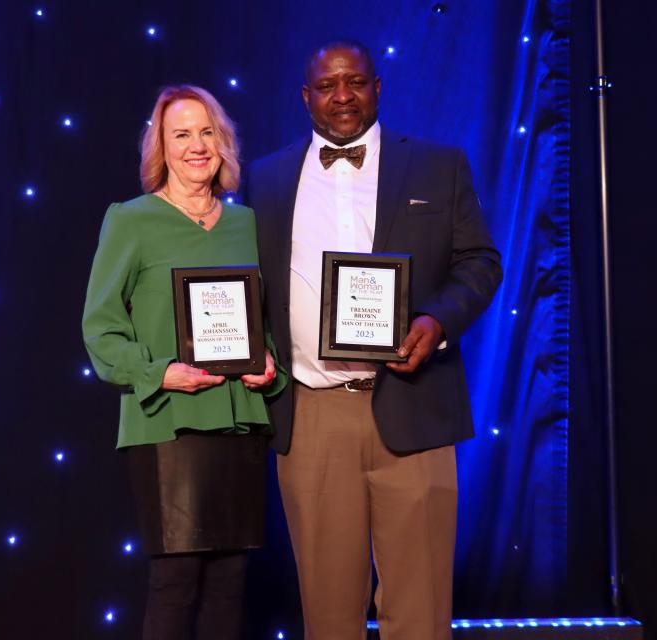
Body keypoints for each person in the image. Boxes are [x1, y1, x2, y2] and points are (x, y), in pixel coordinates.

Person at [246, 41, 503, 639]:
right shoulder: (267, 178)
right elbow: (252, 278)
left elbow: (479, 262)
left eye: (355, 82)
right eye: (328, 85)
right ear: (305, 96)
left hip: (413, 407)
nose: (342, 96)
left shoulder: (440, 166)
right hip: (312, 416)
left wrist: (437, 321)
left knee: (419, 611)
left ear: (378, 88)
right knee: (329, 614)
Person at [82, 85, 284, 640]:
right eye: (181, 134)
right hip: (166, 421)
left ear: (223, 143)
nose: (196, 146)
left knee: (230, 582)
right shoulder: (132, 219)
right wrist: (158, 372)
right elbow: (99, 328)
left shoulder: (249, 224)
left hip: (239, 421)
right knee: (175, 581)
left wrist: (268, 364)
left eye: (207, 132)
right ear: (160, 147)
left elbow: (266, 323)